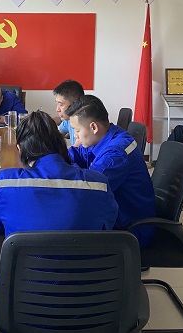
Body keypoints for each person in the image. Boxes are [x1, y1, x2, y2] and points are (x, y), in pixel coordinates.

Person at [0, 111, 118, 319]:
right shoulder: (98, 185)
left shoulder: (6, 183)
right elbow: (107, 225)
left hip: (20, 314)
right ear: (61, 145)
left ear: (20, 149)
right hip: (90, 311)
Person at [65, 95, 156, 248]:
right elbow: (79, 155)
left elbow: (87, 192)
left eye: (77, 130)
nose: (75, 136)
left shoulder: (115, 154)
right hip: (115, 216)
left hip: (128, 231)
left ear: (93, 127)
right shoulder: (106, 135)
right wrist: (54, 158)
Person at [53, 79, 84, 144]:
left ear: (74, 104)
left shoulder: (85, 124)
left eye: (61, 105)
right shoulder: (68, 120)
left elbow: (77, 148)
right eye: (57, 104)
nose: (57, 109)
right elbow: (56, 137)